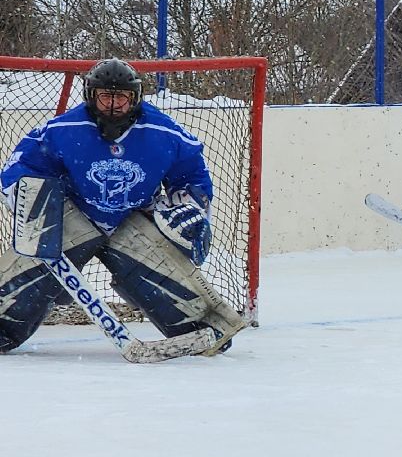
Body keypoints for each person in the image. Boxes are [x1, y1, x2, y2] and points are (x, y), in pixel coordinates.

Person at [0, 58, 246, 354]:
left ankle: (201, 325)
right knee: (30, 266)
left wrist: (187, 206)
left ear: (136, 97)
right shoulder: (63, 129)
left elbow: (191, 175)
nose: (114, 105)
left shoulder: (165, 132)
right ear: (91, 96)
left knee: (185, 305)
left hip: (132, 219)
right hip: (73, 218)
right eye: (106, 96)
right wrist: (26, 195)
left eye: (122, 97)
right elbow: (22, 166)